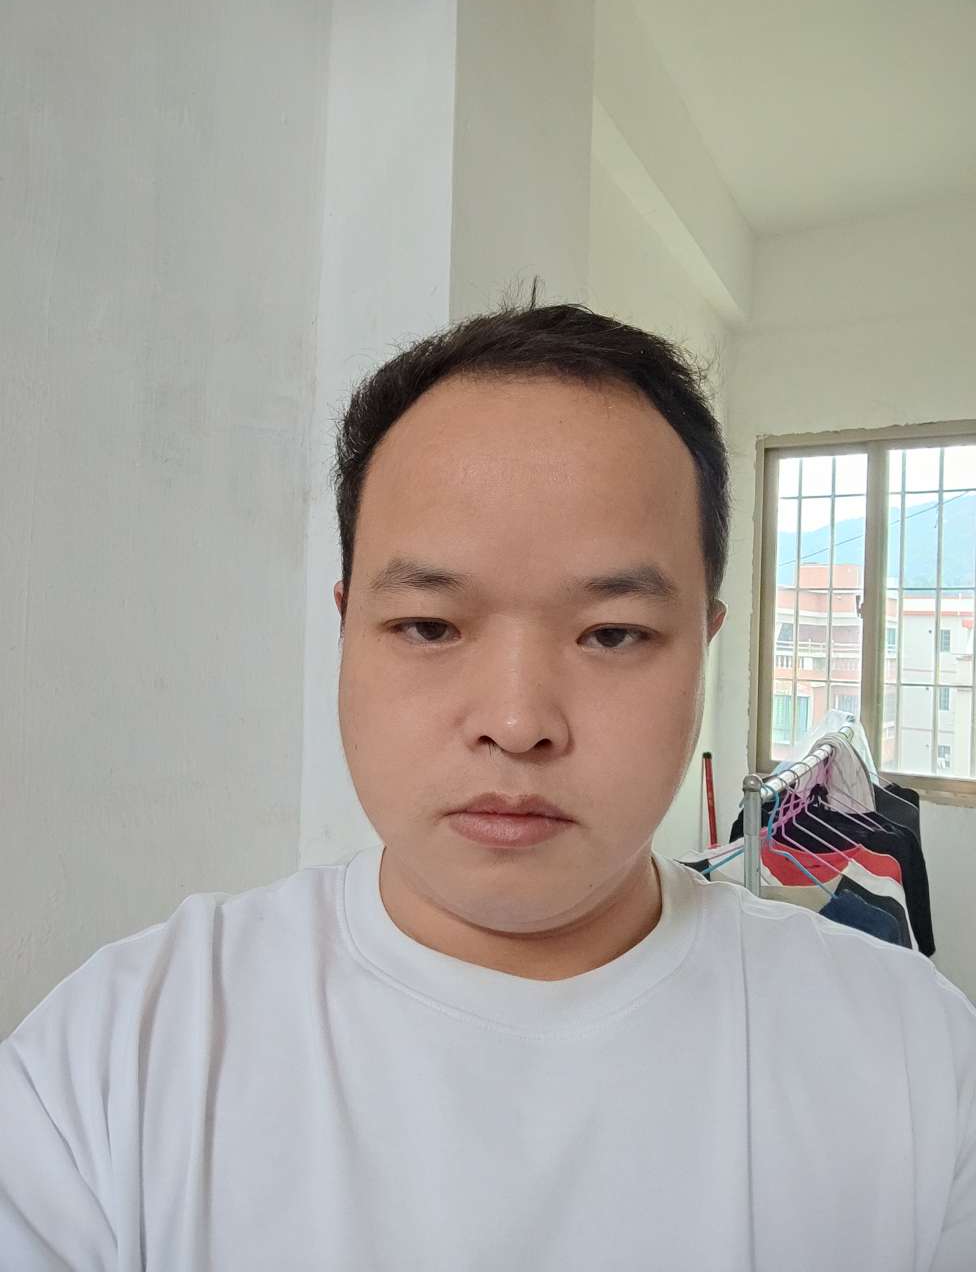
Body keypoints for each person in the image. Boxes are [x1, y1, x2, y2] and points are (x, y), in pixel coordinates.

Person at [1, 300, 973, 1270]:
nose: (515, 722)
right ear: (346, 628)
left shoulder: (912, 1061)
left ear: (702, 650)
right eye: (428, 626)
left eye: (612, 634)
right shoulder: (120, 1057)